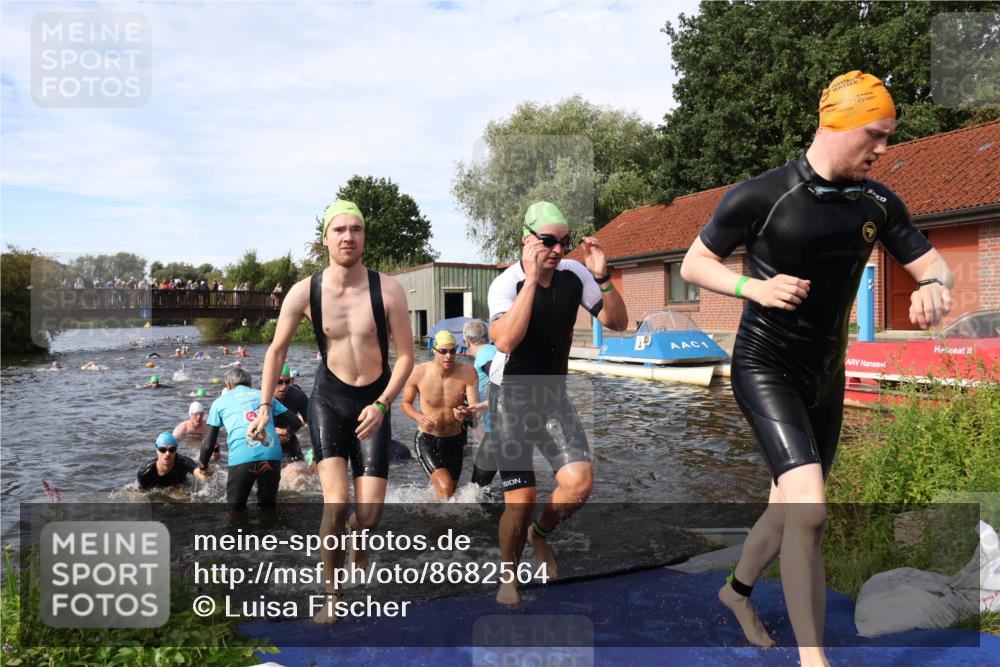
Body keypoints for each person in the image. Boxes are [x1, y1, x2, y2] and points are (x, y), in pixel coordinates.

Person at [679, 71, 954, 665]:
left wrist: (934, 284)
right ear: (840, 123)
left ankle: (737, 592)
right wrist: (753, 285)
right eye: (876, 135)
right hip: (765, 365)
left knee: (787, 506)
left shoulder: (878, 202)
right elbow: (694, 265)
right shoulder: (762, 195)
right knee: (810, 507)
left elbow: (934, 264)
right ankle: (814, 658)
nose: (883, 149)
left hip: (826, 374)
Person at [249, 198, 414, 624]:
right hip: (329, 399)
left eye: (355, 229)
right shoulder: (306, 291)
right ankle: (333, 596)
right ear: (325, 238)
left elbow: (408, 359)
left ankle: (359, 544)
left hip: (375, 399)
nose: (347, 237)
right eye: (339, 230)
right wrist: (265, 406)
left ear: (363, 237)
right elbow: (276, 350)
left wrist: (383, 403)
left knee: (370, 516)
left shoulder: (388, 289)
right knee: (336, 504)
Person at [488, 201, 628, 605]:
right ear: (525, 238)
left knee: (580, 485)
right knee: (521, 501)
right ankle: (508, 574)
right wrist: (531, 281)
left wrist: (602, 278)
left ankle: (541, 535)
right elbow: (505, 341)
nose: (557, 250)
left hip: (551, 394)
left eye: (565, 243)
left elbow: (617, 323)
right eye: (548, 241)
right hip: (510, 396)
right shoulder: (505, 284)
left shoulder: (575, 274)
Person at [198, 367, 302, 517]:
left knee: (235, 512)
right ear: (250, 384)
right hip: (271, 453)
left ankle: (236, 538)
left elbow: (208, 443)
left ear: (228, 386)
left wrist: (203, 465)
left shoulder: (219, 402)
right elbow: (296, 422)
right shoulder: (264, 397)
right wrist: (288, 433)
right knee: (268, 509)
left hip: (242, 457)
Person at [401, 330, 480, 499]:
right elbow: (405, 404)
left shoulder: (468, 372)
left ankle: (435, 521)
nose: (449, 356)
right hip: (428, 439)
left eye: (452, 351)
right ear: (433, 350)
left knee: (449, 496)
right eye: (443, 351)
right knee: (445, 488)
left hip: (456, 440)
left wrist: (466, 415)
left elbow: (476, 411)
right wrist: (419, 417)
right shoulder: (418, 372)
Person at [463, 319, 500, 488]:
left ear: (467, 341)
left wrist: (487, 403)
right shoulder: (495, 350)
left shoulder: (485, 355)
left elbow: (504, 383)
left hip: (498, 432)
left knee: (477, 488)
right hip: (506, 427)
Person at [137, 432, 208, 489]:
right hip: (157, 488)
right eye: (163, 450)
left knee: (179, 494)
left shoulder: (183, 462)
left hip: (179, 486)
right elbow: (142, 491)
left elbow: (199, 473)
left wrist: (205, 472)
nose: (167, 454)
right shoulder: (145, 472)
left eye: (172, 450)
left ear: (176, 450)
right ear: (157, 450)